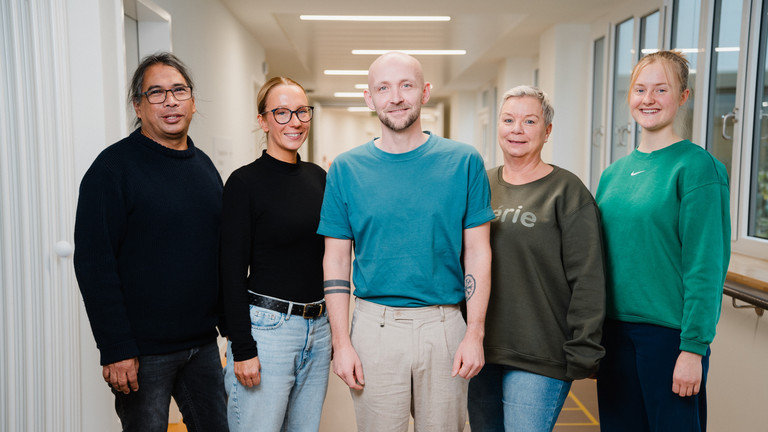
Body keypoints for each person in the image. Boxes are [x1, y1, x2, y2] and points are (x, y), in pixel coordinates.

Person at [318, 51, 494, 432]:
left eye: (406, 85)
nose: (395, 97)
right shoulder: (346, 169)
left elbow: (479, 251)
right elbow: (335, 260)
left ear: (425, 92)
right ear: (369, 98)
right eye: (383, 88)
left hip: (445, 327)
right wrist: (342, 342)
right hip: (373, 329)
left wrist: (474, 333)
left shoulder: (463, 162)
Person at [73, 52, 228, 431]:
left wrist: (230, 328)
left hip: (203, 346)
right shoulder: (112, 170)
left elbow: (215, 253)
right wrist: (116, 349)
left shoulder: (204, 166)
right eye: (156, 93)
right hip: (143, 353)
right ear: (138, 106)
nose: (170, 101)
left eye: (179, 90)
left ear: (192, 101)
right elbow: (95, 265)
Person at [595, 50, 730, 431]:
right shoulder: (613, 174)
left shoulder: (697, 167)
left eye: (661, 89)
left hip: (669, 338)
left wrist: (693, 350)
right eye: (640, 89)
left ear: (683, 97)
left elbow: (705, 266)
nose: (648, 99)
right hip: (615, 335)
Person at [467, 86, 606, 432]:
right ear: (497, 126)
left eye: (530, 121)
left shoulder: (567, 191)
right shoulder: (479, 185)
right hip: (480, 348)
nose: (517, 129)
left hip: (541, 352)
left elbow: (588, 275)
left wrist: (585, 347)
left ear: (547, 131)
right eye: (509, 119)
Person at [220, 77, 330, 432]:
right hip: (267, 332)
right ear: (263, 120)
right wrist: (242, 347)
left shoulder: (319, 178)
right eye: (281, 112)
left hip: (318, 329)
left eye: (301, 112)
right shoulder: (244, 183)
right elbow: (230, 270)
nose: (294, 122)